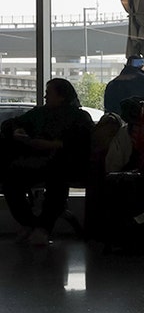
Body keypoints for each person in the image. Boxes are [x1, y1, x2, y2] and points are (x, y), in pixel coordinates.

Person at [1, 78, 94, 246]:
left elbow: (81, 143)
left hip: (65, 163)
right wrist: (17, 130)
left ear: (62, 96)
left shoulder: (79, 117)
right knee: (10, 180)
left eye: (49, 93)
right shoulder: (40, 113)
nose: (45, 97)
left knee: (57, 178)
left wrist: (52, 145)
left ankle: (39, 226)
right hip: (39, 162)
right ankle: (35, 225)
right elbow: (11, 123)